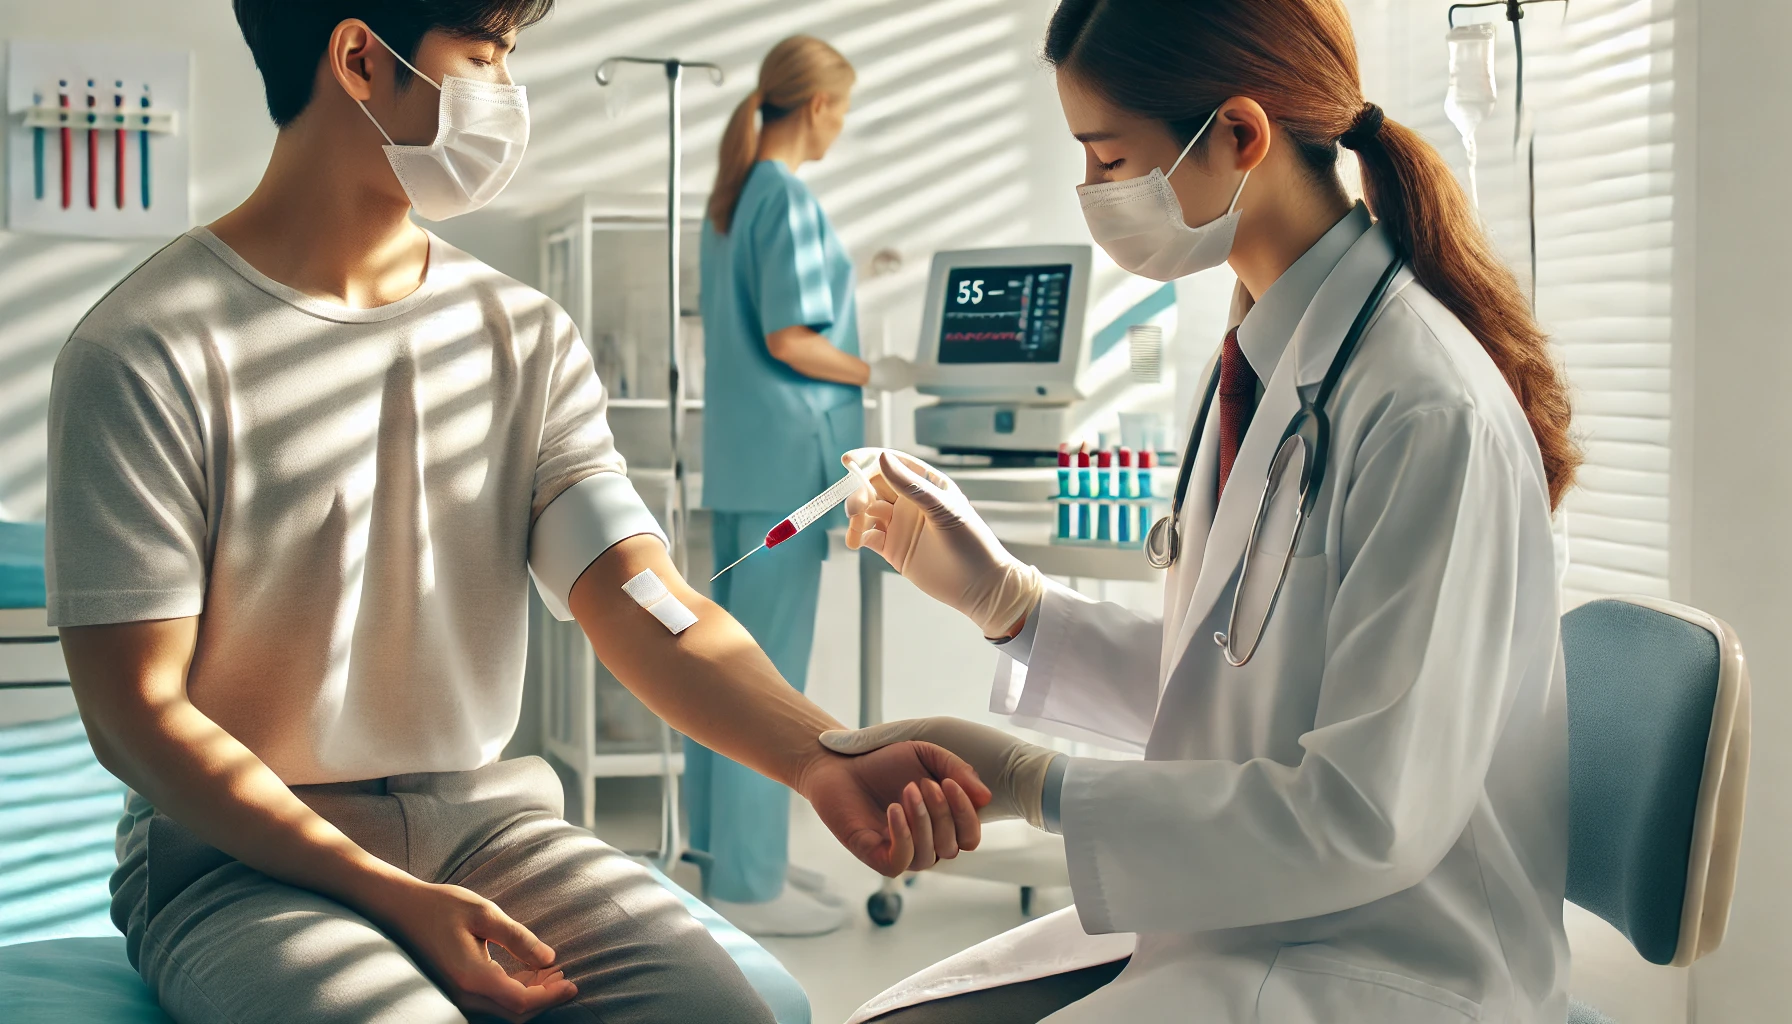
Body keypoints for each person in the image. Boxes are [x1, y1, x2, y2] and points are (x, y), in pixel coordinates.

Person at [45, 4, 985, 1023]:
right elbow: (139, 715)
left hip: (487, 827)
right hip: (238, 854)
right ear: (363, 59)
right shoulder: (145, 349)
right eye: (485, 57)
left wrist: (821, 753)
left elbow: (644, 601)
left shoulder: (521, 336)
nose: (507, 93)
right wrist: (387, 895)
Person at [823, 0, 1578, 1021]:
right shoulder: (1265, 355)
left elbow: (1365, 815)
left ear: (1237, 134)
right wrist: (1009, 602)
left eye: (1106, 156)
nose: (1090, 191)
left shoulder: (1423, 409)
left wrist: (1035, 783)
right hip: (1252, 912)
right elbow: (1243, 687)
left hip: (1392, 953)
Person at [693, 35, 913, 936]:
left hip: (746, 465)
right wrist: (879, 370)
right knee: (765, 678)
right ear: (819, 106)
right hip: (788, 472)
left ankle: (721, 859)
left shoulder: (737, 198)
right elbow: (793, 339)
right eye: (843, 112)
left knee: (714, 669)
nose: (840, 130)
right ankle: (748, 885)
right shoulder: (783, 194)